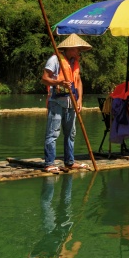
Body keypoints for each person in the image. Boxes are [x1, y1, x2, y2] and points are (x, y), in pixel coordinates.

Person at [41, 34, 92, 173]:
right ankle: (49, 163)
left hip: (72, 102)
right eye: (77, 49)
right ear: (69, 49)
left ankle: (69, 162)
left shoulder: (75, 62)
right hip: (57, 101)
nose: (78, 52)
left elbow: (78, 81)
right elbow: (44, 79)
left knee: (71, 133)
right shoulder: (55, 60)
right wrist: (58, 82)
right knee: (53, 133)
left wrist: (80, 98)